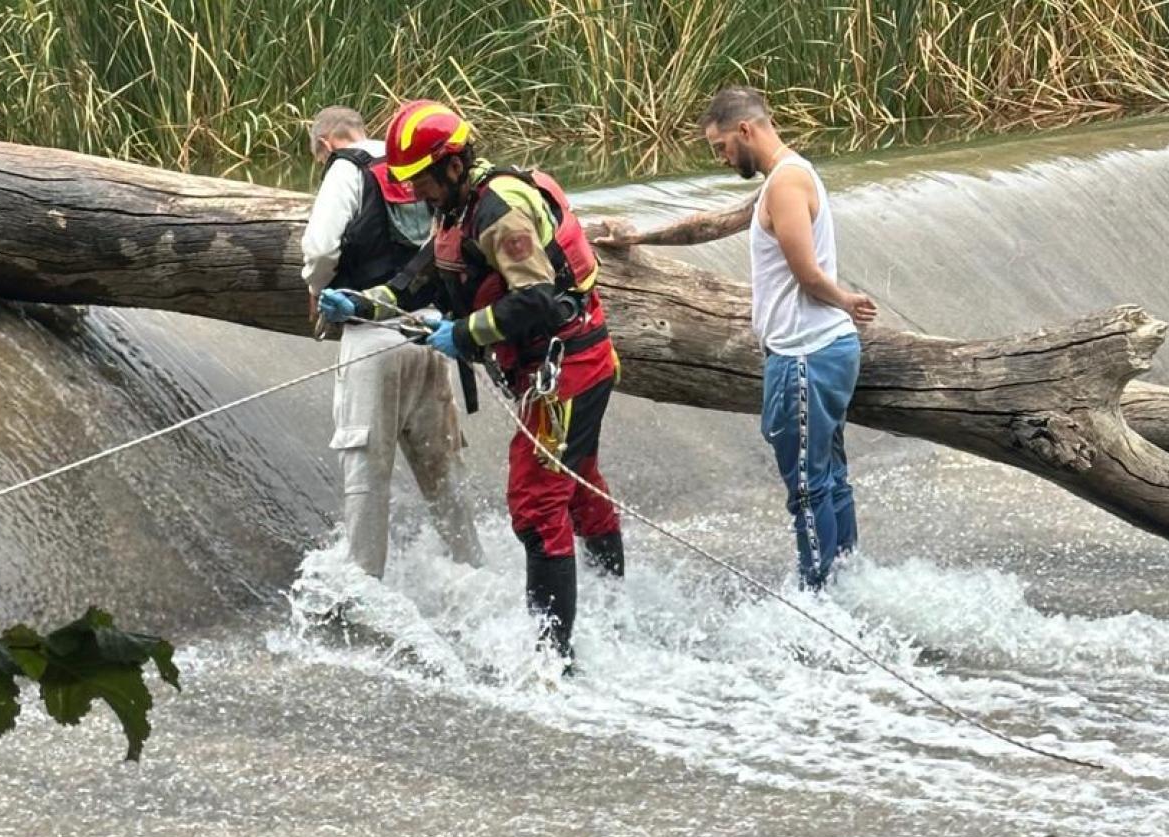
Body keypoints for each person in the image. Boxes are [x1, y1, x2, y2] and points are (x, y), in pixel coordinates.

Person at [318, 100, 624, 672]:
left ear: (454, 165)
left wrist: (465, 332)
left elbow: (540, 298)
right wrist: (361, 304)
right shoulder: (455, 214)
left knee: (536, 506)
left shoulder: (499, 213)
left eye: (424, 181)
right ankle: (615, 605)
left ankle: (552, 658)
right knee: (579, 484)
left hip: (567, 368)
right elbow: (413, 285)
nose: (417, 194)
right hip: (562, 365)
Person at [602, 88, 876, 590]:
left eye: (721, 146)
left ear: (746, 130)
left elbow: (806, 273)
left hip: (803, 357)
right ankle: (847, 583)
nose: (723, 158)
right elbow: (709, 225)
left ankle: (818, 602)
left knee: (808, 491)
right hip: (821, 352)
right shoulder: (787, 177)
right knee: (831, 480)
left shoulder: (786, 185)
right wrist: (636, 238)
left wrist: (844, 299)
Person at [300, 105, 482, 579]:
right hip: (428, 333)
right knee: (443, 475)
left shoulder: (344, 169)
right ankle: (475, 573)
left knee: (367, 478)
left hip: (370, 335)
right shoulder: (410, 161)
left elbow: (321, 248)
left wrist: (317, 291)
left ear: (324, 144)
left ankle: (364, 588)